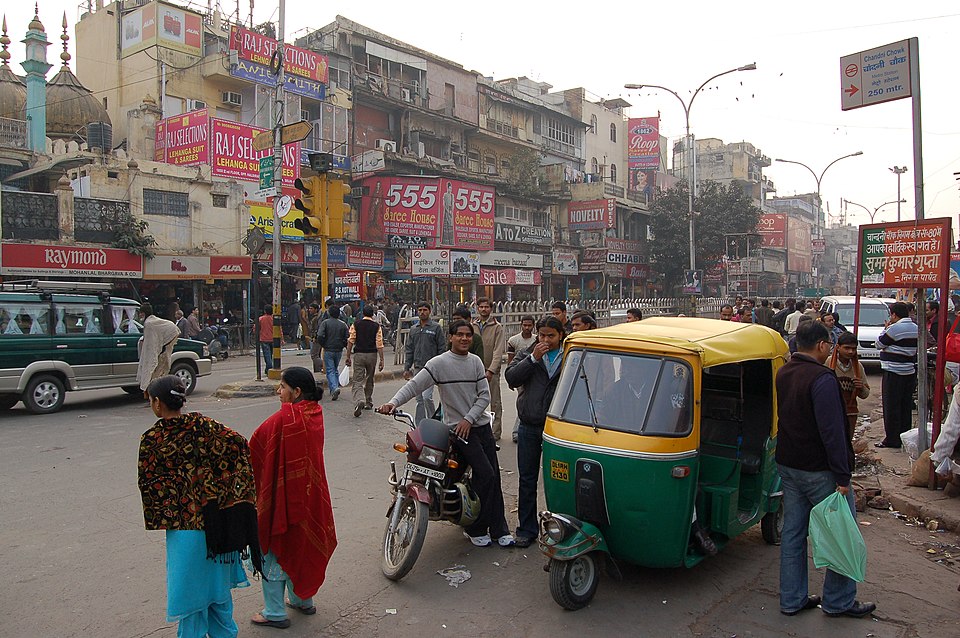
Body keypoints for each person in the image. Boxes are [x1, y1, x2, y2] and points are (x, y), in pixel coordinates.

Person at [137, 375, 262, 637]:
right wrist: (226, 495)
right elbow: (239, 445)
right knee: (218, 599)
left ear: (158, 404)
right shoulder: (205, 426)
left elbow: (150, 485)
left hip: (186, 532)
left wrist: (178, 503)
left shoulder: (153, 439)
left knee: (192, 603)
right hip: (217, 524)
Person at [377, 320, 514, 547]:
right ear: (450, 337)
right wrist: (392, 403)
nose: (464, 339)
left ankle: (499, 529)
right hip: (457, 431)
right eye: (459, 334)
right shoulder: (439, 363)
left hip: (478, 426)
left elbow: (484, 396)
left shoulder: (476, 362)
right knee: (485, 474)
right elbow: (414, 386)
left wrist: (469, 419)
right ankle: (475, 527)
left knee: (492, 478)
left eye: (468, 335)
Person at [775, 321, 875, 619]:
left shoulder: (785, 372)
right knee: (839, 534)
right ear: (820, 345)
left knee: (793, 534)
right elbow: (832, 431)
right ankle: (838, 601)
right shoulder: (822, 379)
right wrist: (843, 476)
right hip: (819, 470)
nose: (831, 347)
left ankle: (791, 599)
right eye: (829, 343)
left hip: (789, 464)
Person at [249, 368, 337, 629]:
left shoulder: (284, 420)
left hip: (284, 497)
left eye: (282, 386)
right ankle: (303, 600)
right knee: (302, 545)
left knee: (276, 548)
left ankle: (274, 612)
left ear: (296, 391)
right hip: (309, 496)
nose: (279, 391)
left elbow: (256, 445)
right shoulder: (314, 414)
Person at [505, 315, 566, 547]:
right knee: (527, 479)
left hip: (558, 429)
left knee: (559, 480)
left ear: (560, 335)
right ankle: (527, 529)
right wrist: (532, 359)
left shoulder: (570, 355)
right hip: (529, 425)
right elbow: (511, 377)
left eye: (551, 336)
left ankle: (560, 527)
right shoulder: (527, 354)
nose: (546, 340)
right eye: (542, 336)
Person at [875, 301, 918, 449]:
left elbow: (879, 344)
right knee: (905, 406)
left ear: (894, 314)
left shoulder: (894, 329)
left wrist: (885, 328)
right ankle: (904, 436)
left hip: (893, 371)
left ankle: (892, 439)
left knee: (891, 407)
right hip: (909, 371)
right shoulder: (916, 328)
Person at [404, 302, 446, 423]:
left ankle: (433, 421)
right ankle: (419, 426)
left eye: (425, 310)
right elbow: (409, 349)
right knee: (419, 399)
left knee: (427, 397)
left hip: (431, 369)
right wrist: (407, 368)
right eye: (420, 310)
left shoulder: (436, 328)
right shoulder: (413, 329)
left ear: (430, 311)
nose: (422, 312)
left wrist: (441, 367)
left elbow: (441, 348)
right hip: (418, 368)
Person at [827, 331, 870, 442]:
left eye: (853, 349)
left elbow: (865, 395)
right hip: (831, 412)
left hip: (850, 412)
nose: (850, 352)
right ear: (838, 347)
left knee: (847, 442)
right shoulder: (828, 363)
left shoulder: (858, 367)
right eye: (846, 348)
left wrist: (860, 387)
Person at [475, 297, 506, 440]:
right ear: (477, 308)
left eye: (486, 307)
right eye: (481, 307)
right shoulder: (473, 325)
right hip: (474, 370)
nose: (483, 309)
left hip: (491, 371)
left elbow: (498, 351)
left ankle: (495, 432)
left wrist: (491, 370)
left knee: (495, 402)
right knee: (474, 402)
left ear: (491, 309)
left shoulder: (497, 327)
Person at [345, 305, 385, 418]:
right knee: (369, 378)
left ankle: (359, 400)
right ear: (372, 315)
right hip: (372, 355)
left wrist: (348, 356)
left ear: (363, 314)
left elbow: (351, 341)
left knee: (357, 380)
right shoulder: (376, 326)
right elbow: (379, 344)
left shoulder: (356, 324)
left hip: (359, 354)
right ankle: (368, 401)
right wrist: (382, 359)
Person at [507, 315, 538, 443]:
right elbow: (511, 362)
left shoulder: (537, 339)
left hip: (533, 376)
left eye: (529, 325)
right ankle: (517, 432)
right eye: (524, 325)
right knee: (522, 402)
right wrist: (511, 379)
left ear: (533, 326)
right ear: (521, 325)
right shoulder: (513, 341)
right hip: (520, 375)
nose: (527, 328)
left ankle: (518, 431)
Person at [137, 303, 181, 394]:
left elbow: (152, 343)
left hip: (160, 352)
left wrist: (164, 345)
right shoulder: (151, 322)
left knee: (154, 374)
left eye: (141, 313)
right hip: (160, 351)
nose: (140, 315)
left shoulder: (149, 323)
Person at [316, 305, 349, 401]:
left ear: (329, 313)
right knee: (335, 368)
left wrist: (324, 345)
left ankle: (334, 388)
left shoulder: (325, 323)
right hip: (338, 350)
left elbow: (320, 336)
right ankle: (334, 387)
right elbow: (346, 338)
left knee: (330, 369)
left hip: (328, 349)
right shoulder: (343, 324)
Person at [257, 306, 274, 372]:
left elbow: (255, 329)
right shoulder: (274, 319)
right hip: (273, 339)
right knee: (270, 354)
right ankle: (267, 368)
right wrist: (282, 339)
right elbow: (279, 329)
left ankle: (269, 367)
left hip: (264, 339)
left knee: (267, 355)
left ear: (265, 311)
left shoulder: (261, 319)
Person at [307, 302, 322, 373]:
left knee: (314, 355)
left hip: (316, 339)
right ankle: (317, 370)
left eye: (311, 308)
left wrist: (314, 337)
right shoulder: (314, 317)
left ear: (316, 309)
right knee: (317, 355)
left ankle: (324, 365)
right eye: (309, 308)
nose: (309, 310)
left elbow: (316, 329)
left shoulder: (316, 318)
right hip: (314, 338)